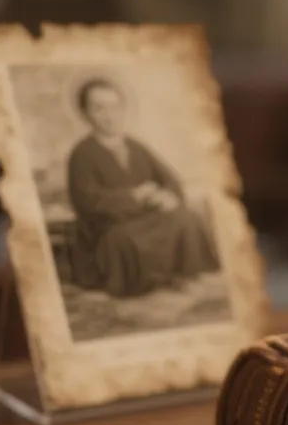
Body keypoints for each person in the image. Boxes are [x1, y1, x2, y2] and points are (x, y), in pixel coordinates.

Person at [63, 77, 219, 298]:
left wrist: (167, 196)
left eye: (115, 106)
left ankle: (184, 274)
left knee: (188, 218)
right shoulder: (82, 154)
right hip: (107, 228)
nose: (109, 114)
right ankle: (151, 283)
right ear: (85, 114)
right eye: (99, 108)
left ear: (124, 108)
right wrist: (133, 197)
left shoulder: (136, 147)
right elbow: (85, 201)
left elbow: (169, 180)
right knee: (124, 240)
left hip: (147, 217)